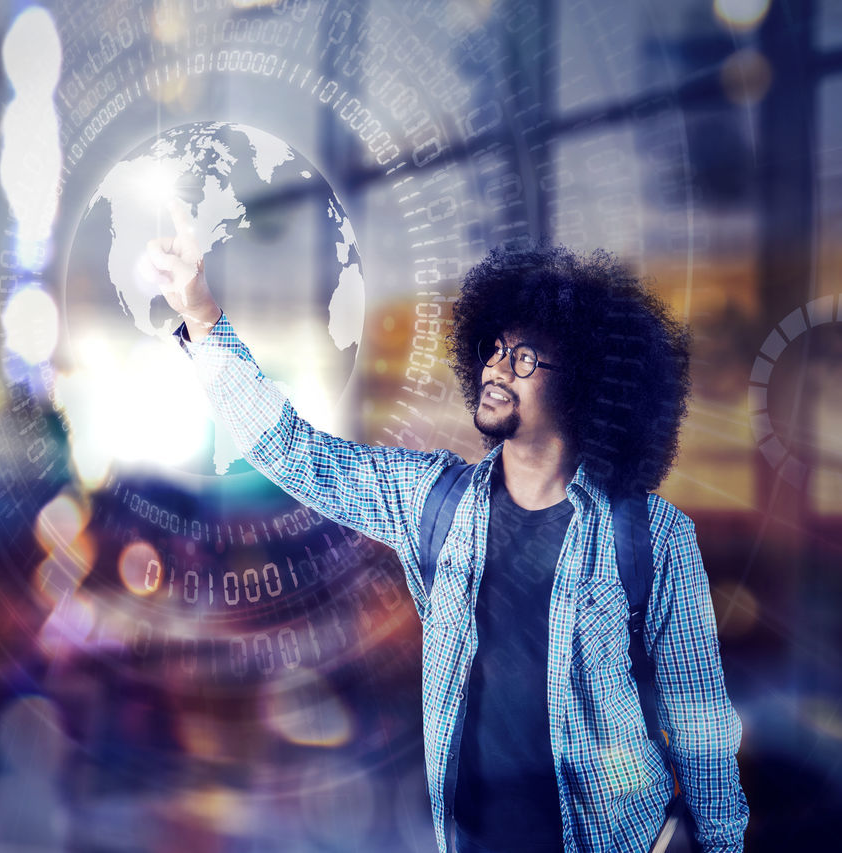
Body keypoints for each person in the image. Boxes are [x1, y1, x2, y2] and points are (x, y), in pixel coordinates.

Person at [145, 199, 749, 853]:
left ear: (585, 386)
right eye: (493, 349)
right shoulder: (433, 500)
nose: (494, 365)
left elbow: (700, 724)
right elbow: (295, 452)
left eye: (523, 358)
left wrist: (720, 844)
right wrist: (201, 316)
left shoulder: (654, 539)